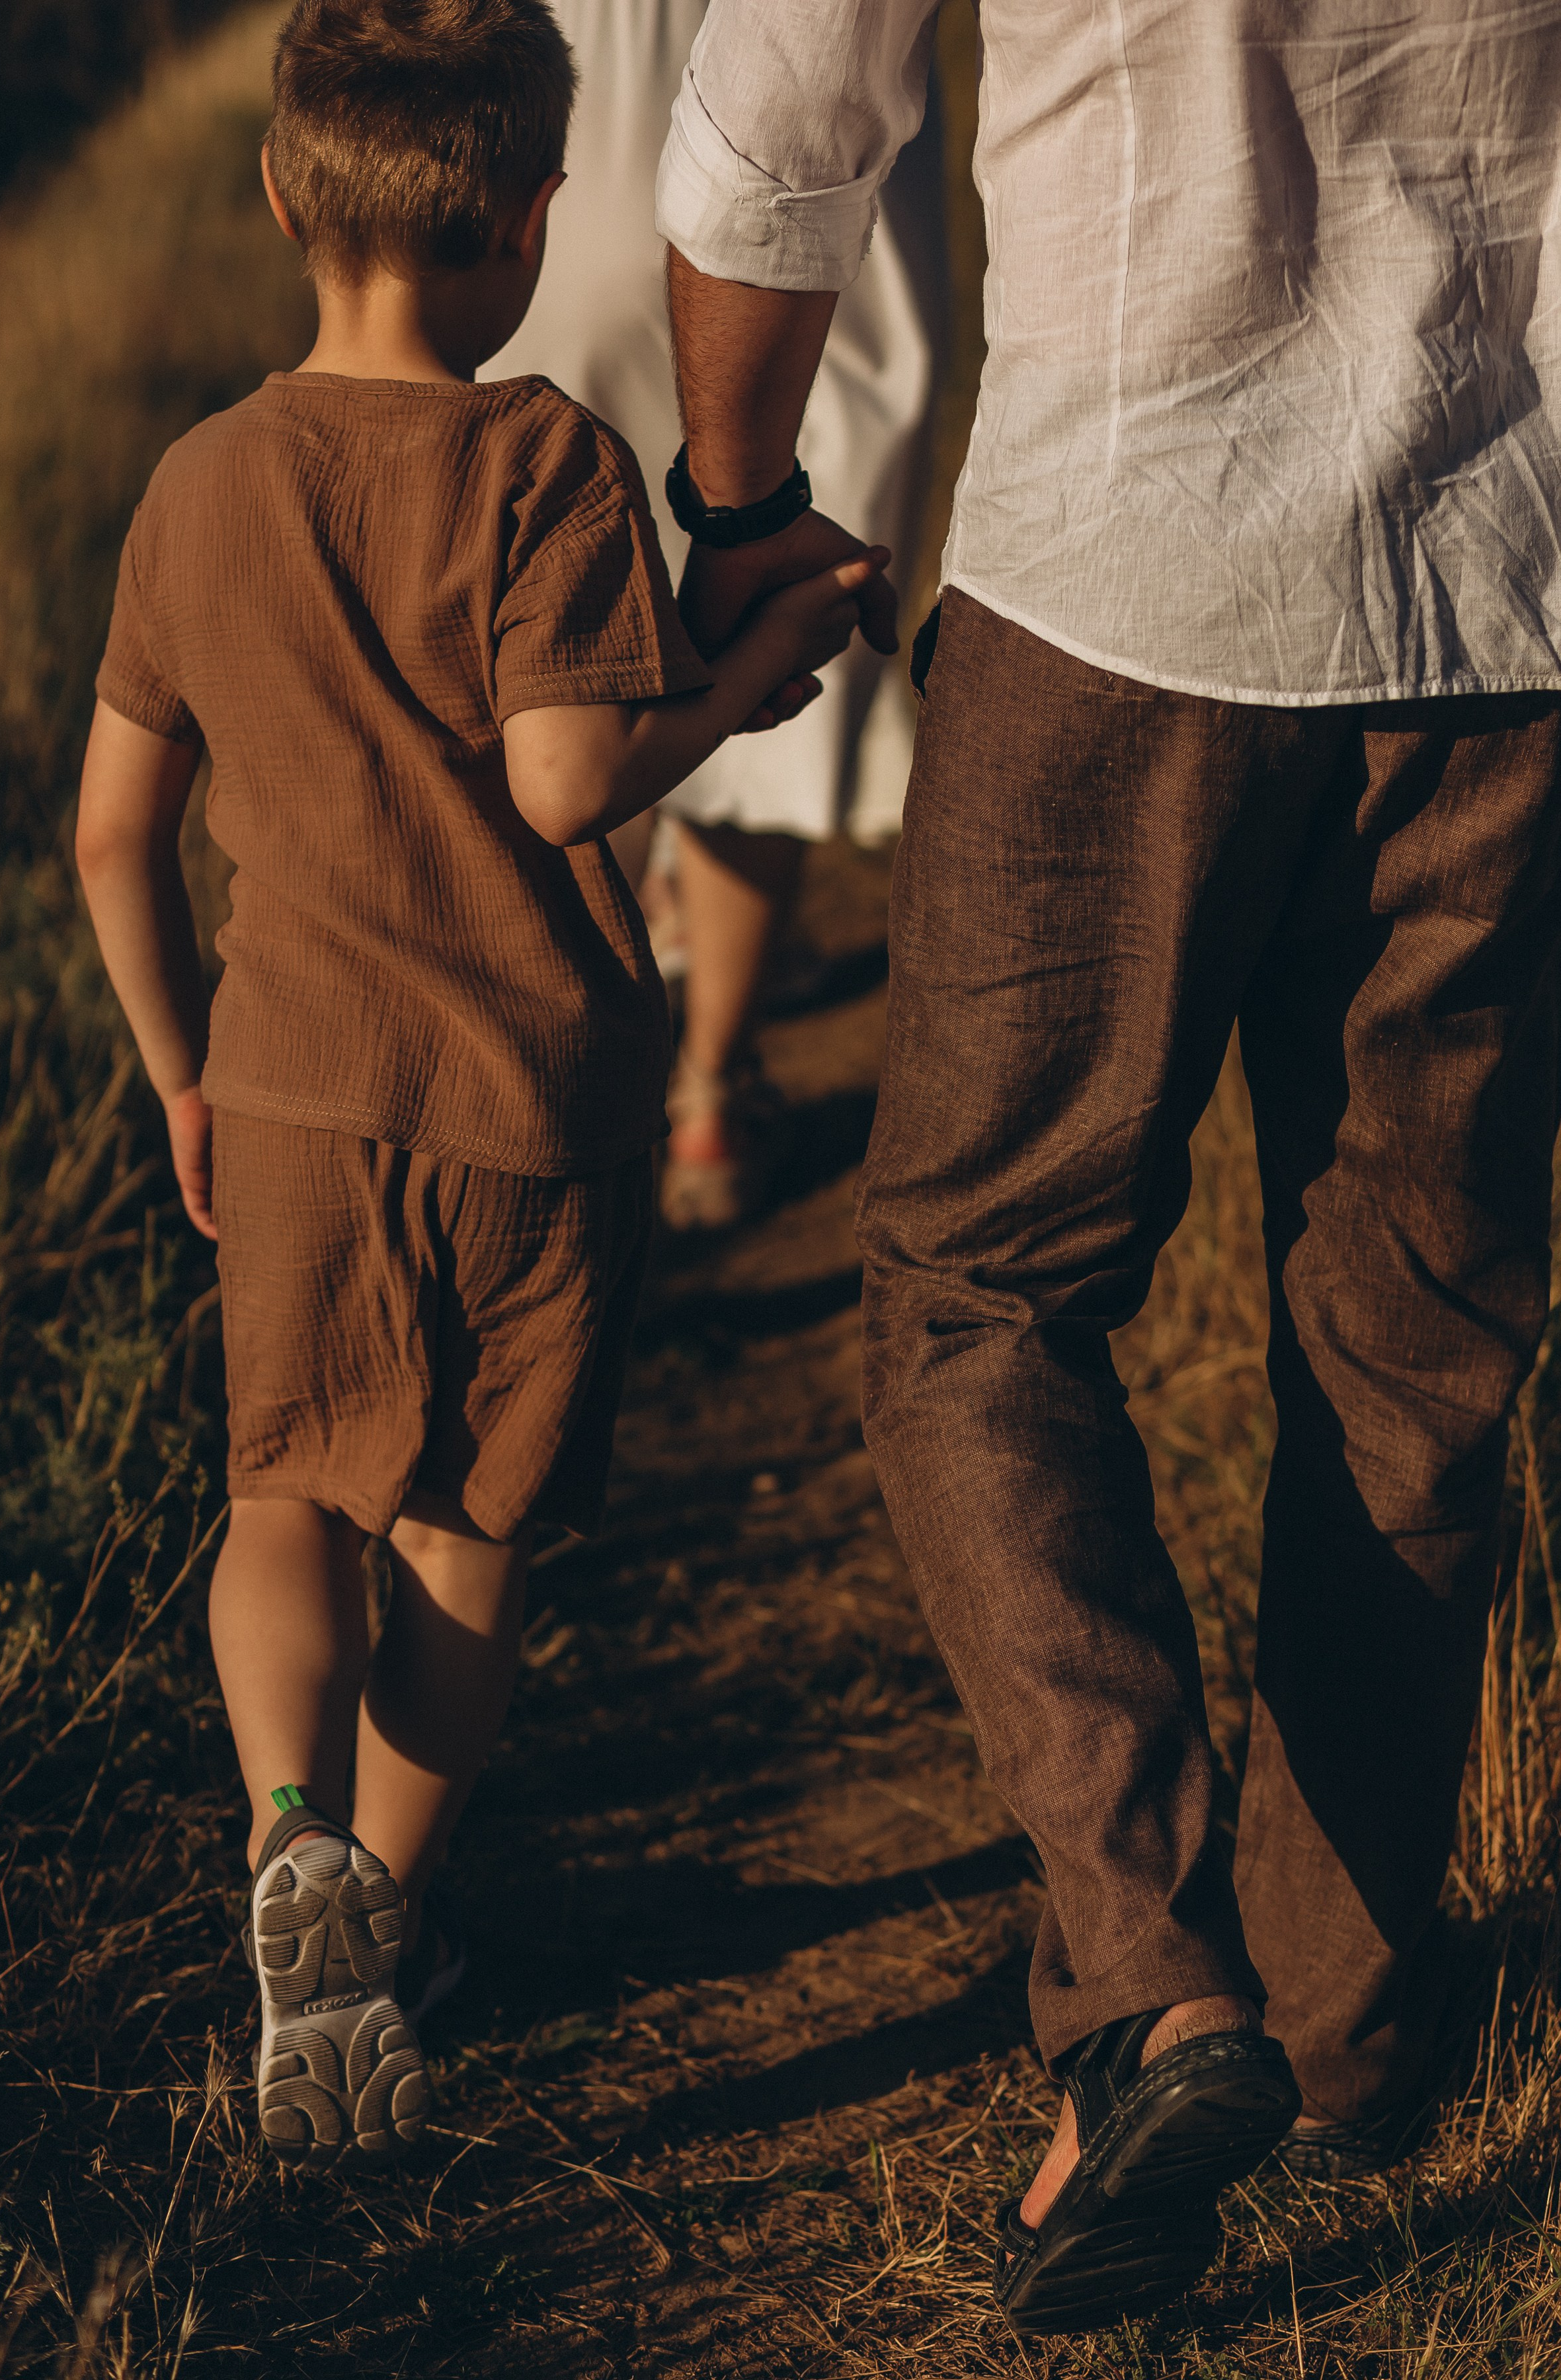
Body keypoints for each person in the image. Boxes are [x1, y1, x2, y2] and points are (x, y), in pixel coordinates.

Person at [655, 0, 1561, 2339]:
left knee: (974, 1289)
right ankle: (1349, 2026)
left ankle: (1161, 1994)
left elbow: (776, 133)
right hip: (1504, 594)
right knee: (1413, 1341)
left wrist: (741, 501)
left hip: (1117, 586)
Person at [73, 0, 883, 2172]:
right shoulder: (539, 461)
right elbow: (562, 777)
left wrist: (179, 1070)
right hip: (535, 1098)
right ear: (533, 227)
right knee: (463, 1533)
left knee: (283, 1495)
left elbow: (112, 841)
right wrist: (730, 690)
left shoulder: (198, 486)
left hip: (295, 1082)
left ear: (278, 198)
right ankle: (393, 1924)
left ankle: (281, 1845)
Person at [486, 0, 947, 1229]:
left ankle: (575, 1091)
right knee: (781, 602)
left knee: (568, 635)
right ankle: (706, 1096)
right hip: (806, 129)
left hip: (558, 110)